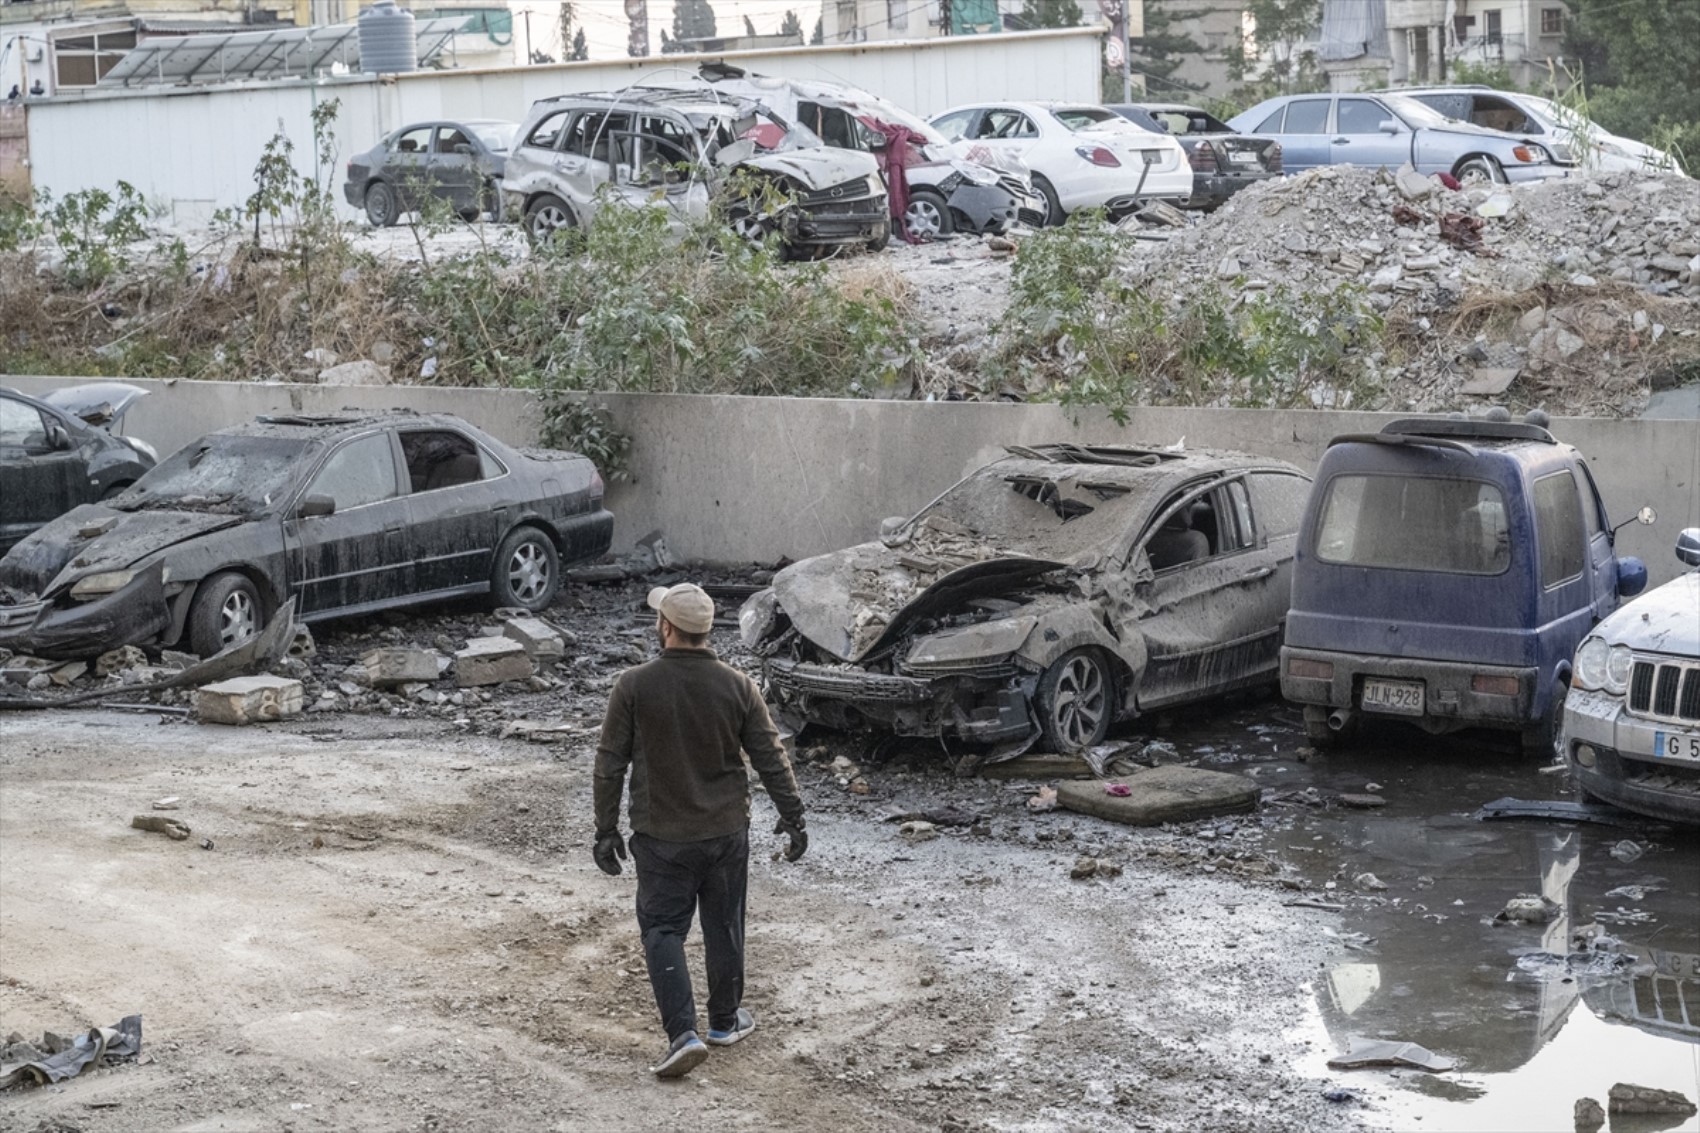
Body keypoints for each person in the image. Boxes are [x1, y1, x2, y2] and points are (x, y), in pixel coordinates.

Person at [594, 582, 807, 1079]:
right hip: (726, 831)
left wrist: (605, 830)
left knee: (663, 928)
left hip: (661, 836)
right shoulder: (738, 685)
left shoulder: (634, 685)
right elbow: (771, 756)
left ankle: (682, 1034)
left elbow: (609, 764)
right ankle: (726, 1021)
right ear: (706, 630)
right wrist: (793, 816)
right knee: (724, 923)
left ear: (666, 627)